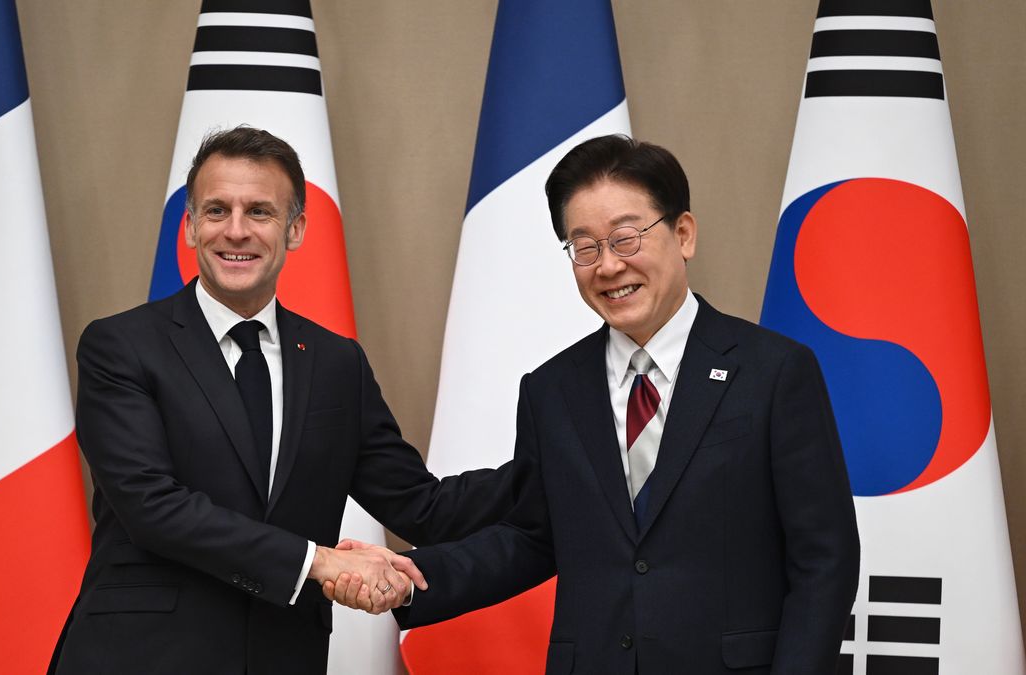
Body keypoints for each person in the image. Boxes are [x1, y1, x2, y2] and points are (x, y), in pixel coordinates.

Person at [329, 134, 860, 674]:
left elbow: (825, 559)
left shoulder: (774, 371)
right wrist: (410, 579)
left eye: (625, 239)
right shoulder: (553, 389)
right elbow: (534, 539)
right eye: (585, 247)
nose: (607, 266)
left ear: (684, 234)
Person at [48, 126, 512, 675]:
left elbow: (423, 507)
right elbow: (153, 507)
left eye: (260, 212)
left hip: (283, 656)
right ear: (191, 227)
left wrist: (557, 468)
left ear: (295, 229)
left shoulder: (337, 363)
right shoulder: (120, 346)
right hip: (141, 656)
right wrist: (318, 563)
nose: (236, 231)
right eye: (217, 210)